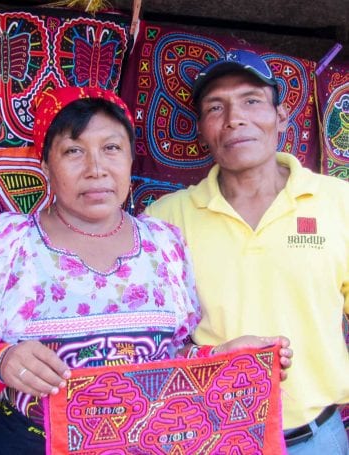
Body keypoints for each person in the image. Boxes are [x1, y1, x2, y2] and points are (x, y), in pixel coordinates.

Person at [0, 86, 291, 454]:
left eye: (111, 148)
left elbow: (171, 356)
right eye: (73, 151)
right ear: (45, 164)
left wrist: (224, 359)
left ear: (129, 160)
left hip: (147, 442)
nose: (96, 169)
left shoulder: (164, 244)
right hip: (33, 444)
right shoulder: (3, 244)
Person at [143, 50, 347, 454]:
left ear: (282, 116)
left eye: (252, 101)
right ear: (203, 129)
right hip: (206, 437)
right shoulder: (165, 220)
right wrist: (211, 357)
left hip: (316, 439)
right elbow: (148, 344)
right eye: (216, 108)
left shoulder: (340, 204)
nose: (235, 118)